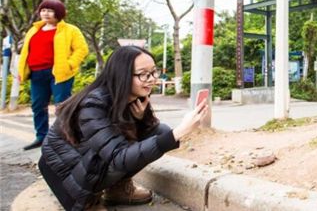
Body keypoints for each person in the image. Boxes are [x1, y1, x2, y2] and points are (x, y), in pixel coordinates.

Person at [38, 45, 208, 210]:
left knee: (159, 131)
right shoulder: (93, 104)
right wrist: (179, 132)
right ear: (122, 76)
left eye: (153, 72)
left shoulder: (131, 97)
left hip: (92, 160)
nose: (151, 79)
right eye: (143, 74)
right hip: (67, 171)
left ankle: (117, 189)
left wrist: (139, 119)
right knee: (161, 137)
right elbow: (118, 156)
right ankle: (90, 200)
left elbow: (136, 139)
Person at [18, 0, 89, 150]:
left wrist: (69, 64)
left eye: (50, 10)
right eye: (43, 10)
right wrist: (21, 70)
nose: (46, 13)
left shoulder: (70, 30)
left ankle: (64, 137)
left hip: (59, 73)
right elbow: (26, 52)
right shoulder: (34, 30)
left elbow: (81, 49)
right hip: (37, 73)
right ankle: (41, 137)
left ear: (59, 13)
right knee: (38, 106)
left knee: (62, 106)